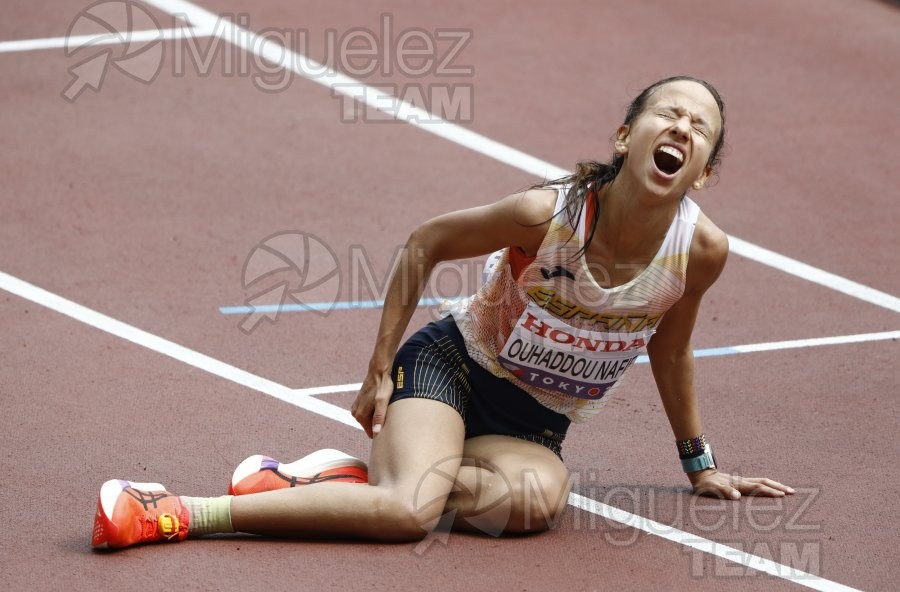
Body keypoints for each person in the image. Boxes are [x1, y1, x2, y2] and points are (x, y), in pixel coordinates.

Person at [91, 75, 793, 550]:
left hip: (533, 426)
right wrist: (374, 374)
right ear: (624, 137)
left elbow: (669, 350)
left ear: (700, 171)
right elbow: (426, 242)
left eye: (700, 127)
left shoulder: (699, 251)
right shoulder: (546, 216)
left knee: (538, 506)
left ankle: (331, 483)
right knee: (407, 516)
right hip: (451, 368)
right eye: (668, 113)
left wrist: (699, 464)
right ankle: (176, 511)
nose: (682, 127)